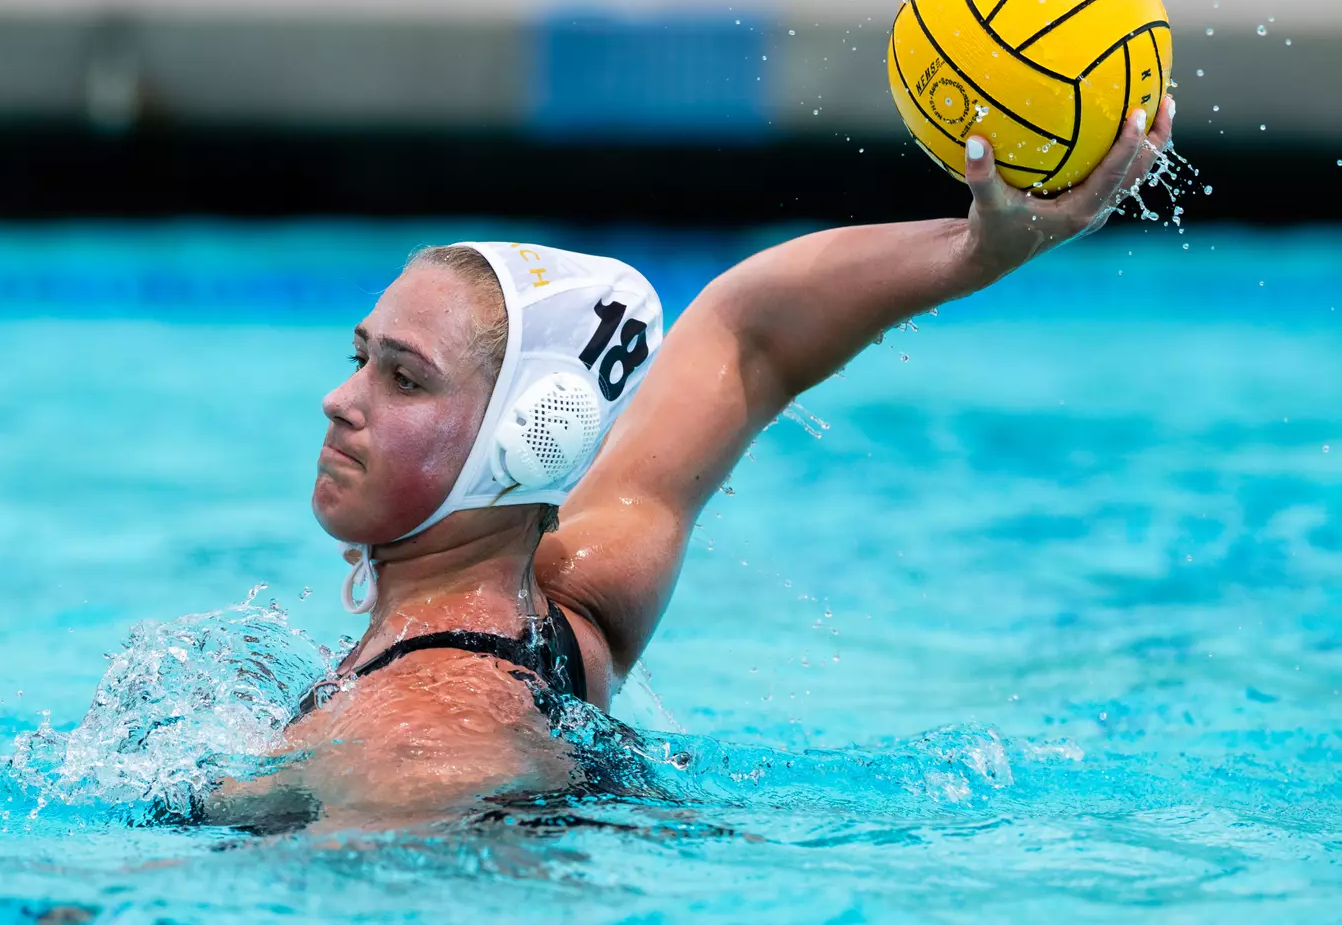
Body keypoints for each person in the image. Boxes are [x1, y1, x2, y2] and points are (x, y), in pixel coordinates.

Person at [203, 104, 1176, 830]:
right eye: (359, 356)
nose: (343, 398)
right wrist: (973, 250)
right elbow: (747, 336)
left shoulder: (419, 742)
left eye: (404, 377)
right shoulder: (576, 604)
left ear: (528, 437)